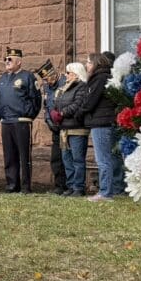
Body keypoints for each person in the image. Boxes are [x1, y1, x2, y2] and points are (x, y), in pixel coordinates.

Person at [80, 51, 125, 202]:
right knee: (113, 158)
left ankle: (105, 192)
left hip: (100, 123)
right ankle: (117, 189)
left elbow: (89, 102)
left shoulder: (99, 79)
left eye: (88, 62)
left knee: (103, 159)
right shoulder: (109, 77)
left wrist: (80, 112)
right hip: (110, 121)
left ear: (95, 63)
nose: (86, 65)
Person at [0, 47, 41, 194]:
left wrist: (28, 116)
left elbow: (36, 99)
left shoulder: (27, 77)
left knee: (23, 155)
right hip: (6, 121)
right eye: (6, 59)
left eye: (10, 59)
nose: (7, 62)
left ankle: (25, 186)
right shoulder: (2, 79)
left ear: (19, 62)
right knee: (9, 155)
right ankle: (11, 184)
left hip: (21, 121)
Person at [53, 62, 89, 196]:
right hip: (64, 129)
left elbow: (77, 104)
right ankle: (71, 186)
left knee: (78, 160)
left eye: (68, 73)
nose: (65, 75)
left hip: (77, 129)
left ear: (76, 74)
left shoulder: (82, 87)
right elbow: (56, 103)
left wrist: (62, 113)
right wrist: (55, 111)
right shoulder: (64, 88)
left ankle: (79, 187)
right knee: (67, 159)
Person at [39, 62, 68, 194]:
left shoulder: (65, 82)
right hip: (55, 128)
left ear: (53, 74)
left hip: (66, 126)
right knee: (56, 158)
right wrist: (48, 120)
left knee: (67, 157)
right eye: (44, 80)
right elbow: (46, 105)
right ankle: (59, 186)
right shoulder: (47, 87)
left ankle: (70, 186)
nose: (46, 82)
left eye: (47, 78)